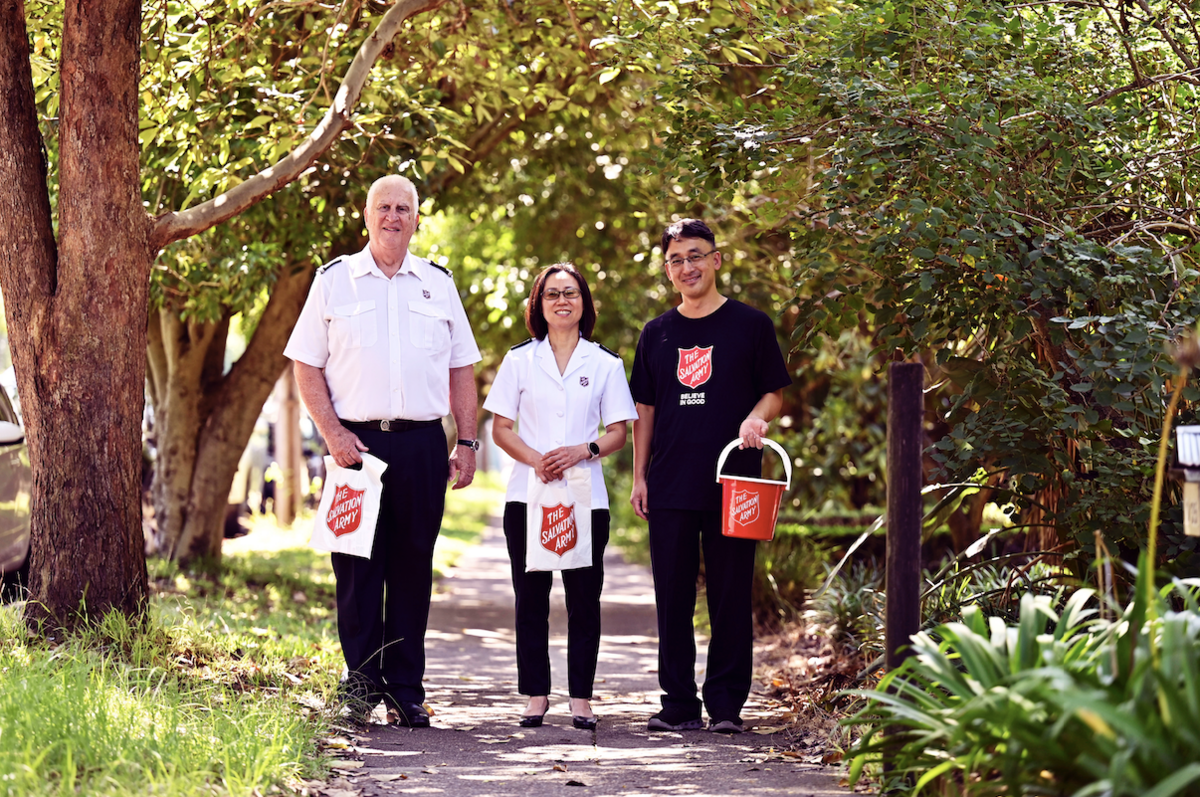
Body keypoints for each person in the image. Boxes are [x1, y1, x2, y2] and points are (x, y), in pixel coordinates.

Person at [284, 174, 481, 728]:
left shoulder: (438, 284)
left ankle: (405, 690)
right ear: (366, 216)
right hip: (355, 447)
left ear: (417, 219)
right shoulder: (334, 281)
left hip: (422, 444)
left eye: (404, 208)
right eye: (384, 207)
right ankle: (360, 683)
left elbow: (461, 369)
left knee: (414, 566)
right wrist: (333, 435)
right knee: (355, 567)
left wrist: (465, 441)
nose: (394, 216)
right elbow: (306, 364)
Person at [629, 219, 792, 734]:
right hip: (671, 481)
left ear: (717, 260)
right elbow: (645, 410)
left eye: (695, 255)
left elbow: (774, 392)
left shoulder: (750, 325)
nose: (687, 267)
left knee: (729, 593)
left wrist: (756, 417)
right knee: (672, 596)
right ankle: (678, 703)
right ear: (667, 269)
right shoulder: (656, 333)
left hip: (737, 484)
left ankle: (725, 705)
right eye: (676, 259)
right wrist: (640, 477)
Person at [484, 263, 637, 730]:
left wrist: (581, 450)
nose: (562, 301)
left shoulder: (605, 363)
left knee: (583, 599)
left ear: (585, 303)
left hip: (585, 496)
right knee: (530, 598)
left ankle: (581, 698)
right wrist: (538, 459)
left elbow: (617, 433)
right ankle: (535, 694)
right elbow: (500, 429)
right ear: (539, 304)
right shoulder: (518, 361)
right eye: (551, 294)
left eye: (571, 293)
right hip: (526, 494)